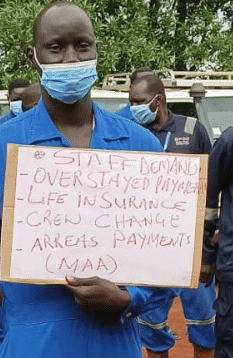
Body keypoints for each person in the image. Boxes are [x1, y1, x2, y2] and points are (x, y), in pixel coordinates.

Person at [0, 2, 172, 357]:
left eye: (82, 45)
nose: (71, 58)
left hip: (116, 344)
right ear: (33, 56)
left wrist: (131, 299)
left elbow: (168, 259)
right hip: (29, 345)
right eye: (56, 47)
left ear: (97, 50)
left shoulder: (140, 146)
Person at [126, 74, 215, 358]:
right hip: (148, 251)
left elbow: (210, 189)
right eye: (130, 102)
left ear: (158, 101)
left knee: (204, 326)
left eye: (138, 102)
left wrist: (206, 250)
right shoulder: (131, 133)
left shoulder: (193, 129)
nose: (133, 108)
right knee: (152, 330)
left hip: (189, 248)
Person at [201, 119, 233, 357]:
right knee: (229, 338)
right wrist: (206, 256)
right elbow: (209, 201)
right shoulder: (229, 142)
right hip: (232, 266)